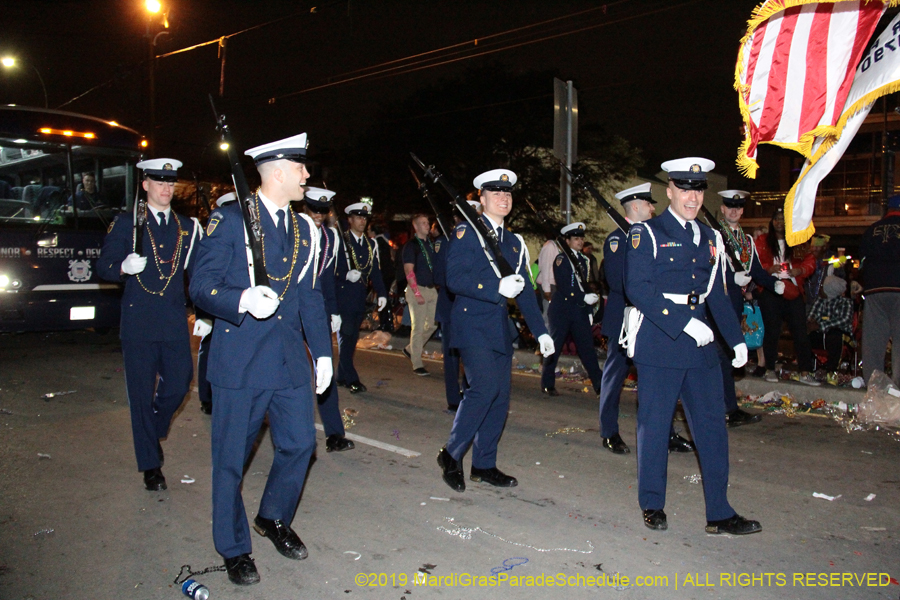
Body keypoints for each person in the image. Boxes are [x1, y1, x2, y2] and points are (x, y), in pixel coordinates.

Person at [189, 134, 333, 586]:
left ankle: (272, 516)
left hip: (290, 360)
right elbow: (199, 285)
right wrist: (242, 298)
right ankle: (233, 547)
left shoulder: (305, 229)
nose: (307, 175)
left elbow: (309, 295)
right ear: (276, 171)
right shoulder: (229, 220)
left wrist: (323, 352)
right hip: (242, 360)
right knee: (231, 459)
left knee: (300, 445)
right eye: (300, 168)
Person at [625, 157, 759, 536]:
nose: (692, 197)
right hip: (662, 342)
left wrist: (736, 340)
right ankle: (652, 503)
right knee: (655, 427)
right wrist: (683, 321)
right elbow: (639, 289)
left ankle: (719, 512)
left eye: (698, 190)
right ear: (669, 192)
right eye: (684, 189)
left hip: (702, 349)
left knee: (713, 429)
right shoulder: (646, 234)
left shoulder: (710, 237)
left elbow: (716, 294)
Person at [436, 168, 555, 492]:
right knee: (484, 387)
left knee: (500, 398)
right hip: (471, 324)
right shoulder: (466, 233)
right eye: (496, 193)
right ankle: (451, 453)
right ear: (482, 198)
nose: (503, 198)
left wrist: (541, 332)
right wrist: (495, 286)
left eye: (507, 194)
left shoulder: (515, 243)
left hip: (499, 329)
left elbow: (526, 292)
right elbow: (454, 279)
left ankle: (484, 464)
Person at [97, 158, 200, 492]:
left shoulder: (186, 226)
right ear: (145, 186)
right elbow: (104, 266)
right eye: (159, 183)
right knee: (140, 394)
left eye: (171, 184)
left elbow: (198, 274)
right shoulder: (128, 224)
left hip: (171, 319)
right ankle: (151, 466)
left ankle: (153, 427)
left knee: (180, 382)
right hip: (139, 320)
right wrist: (123, 268)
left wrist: (207, 313)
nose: (166, 189)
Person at [598, 183, 694, 455]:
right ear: (636, 206)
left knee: (660, 379)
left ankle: (667, 433)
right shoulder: (618, 239)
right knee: (615, 377)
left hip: (653, 317)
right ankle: (609, 432)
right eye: (649, 204)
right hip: (625, 319)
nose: (653, 208)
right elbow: (618, 281)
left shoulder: (655, 236)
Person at [715, 190, 784, 426]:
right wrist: (730, 277)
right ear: (722, 209)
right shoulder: (713, 235)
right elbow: (706, 267)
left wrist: (773, 283)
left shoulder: (746, 241)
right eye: (729, 206)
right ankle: (725, 408)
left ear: (742, 211)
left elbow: (755, 269)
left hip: (734, 304)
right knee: (719, 355)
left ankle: (726, 408)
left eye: (738, 207)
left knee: (726, 355)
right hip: (715, 302)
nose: (733, 210)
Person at [303, 187, 355, 452]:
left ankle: (334, 434)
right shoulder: (292, 230)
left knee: (326, 370)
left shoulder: (330, 237)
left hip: (317, 310)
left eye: (323, 212)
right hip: (288, 311)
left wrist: (333, 310)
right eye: (314, 210)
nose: (319, 216)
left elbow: (327, 278)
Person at [754, 207, 819, 386]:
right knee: (772, 331)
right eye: (776, 218)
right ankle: (770, 369)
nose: (779, 222)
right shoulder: (762, 241)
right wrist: (768, 269)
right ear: (772, 221)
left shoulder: (797, 240)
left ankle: (805, 372)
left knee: (800, 331)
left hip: (793, 290)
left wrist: (800, 270)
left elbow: (810, 260)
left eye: (783, 219)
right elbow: (755, 261)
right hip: (771, 289)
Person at [540, 223, 604, 396]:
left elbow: (585, 285)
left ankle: (599, 384)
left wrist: (589, 310)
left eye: (581, 238)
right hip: (562, 309)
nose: (580, 241)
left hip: (579, 310)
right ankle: (547, 383)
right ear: (567, 241)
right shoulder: (561, 259)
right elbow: (564, 287)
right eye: (576, 238)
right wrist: (583, 298)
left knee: (587, 348)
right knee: (555, 347)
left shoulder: (585, 260)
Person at [335, 199, 388, 393]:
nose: (362, 221)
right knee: (347, 337)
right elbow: (330, 269)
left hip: (359, 298)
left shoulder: (370, 244)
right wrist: (344, 274)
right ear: (349, 219)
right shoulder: (341, 240)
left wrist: (382, 293)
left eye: (364, 218)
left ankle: (340, 376)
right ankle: (351, 378)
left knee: (351, 338)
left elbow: (375, 271)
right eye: (358, 217)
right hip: (343, 297)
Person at [196, 191, 237, 415]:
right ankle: (207, 396)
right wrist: (202, 315)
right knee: (210, 348)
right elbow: (202, 277)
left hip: (239, 301)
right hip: (215, 301)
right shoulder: (213, 236)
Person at [859, 194, 900, 386]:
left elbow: (862, 263)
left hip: (875, 289)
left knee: (873, 342)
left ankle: (873, 385)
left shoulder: (871, 230)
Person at [402, 213, 438, 375]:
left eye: (428, 222)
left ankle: (411, 349)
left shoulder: (430, 244)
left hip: (432, 289)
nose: (427, 225)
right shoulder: (411, 245)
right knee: (417, 328)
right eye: (423, 223)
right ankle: (417, 363)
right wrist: (416, 292)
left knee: (433, 325)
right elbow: (409, 270)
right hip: (418, 289)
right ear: (416, 227)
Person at [807, 276, 853, 372]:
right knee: (805, 334)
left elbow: (844, 320)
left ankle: (831, 371)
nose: (820, 288)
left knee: (835, 334)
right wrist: (812, 323)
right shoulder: (820, 301)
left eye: (823, 286)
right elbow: (811, 318)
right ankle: (807, 368)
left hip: (839, 337)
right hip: (821, 334)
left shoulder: (845, 302)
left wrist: (820, 325)